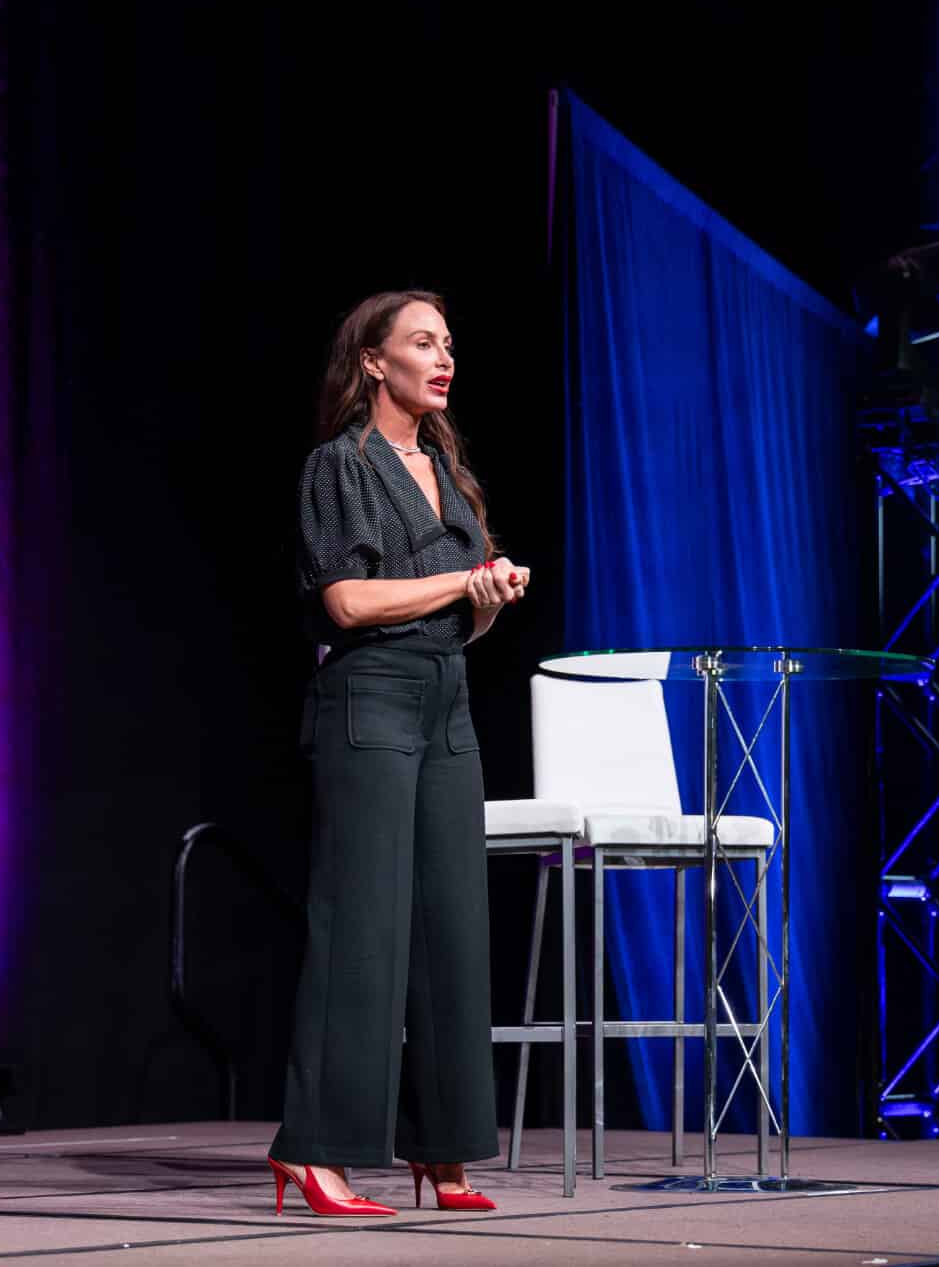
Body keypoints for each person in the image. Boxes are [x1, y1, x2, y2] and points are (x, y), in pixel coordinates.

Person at [266, 290, 528, 1217]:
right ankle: (316, 1148)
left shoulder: (447, 473)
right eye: (423, 342)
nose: (443, 357)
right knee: (363, 929)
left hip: (445, 698)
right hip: (369, 699)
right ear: (375, 362)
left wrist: (486, 596)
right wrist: (464, 577)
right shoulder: (341, 466)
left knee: (453, 925)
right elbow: (347, 604)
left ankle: (442, 1145)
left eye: (449, 343)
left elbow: (455, 619)